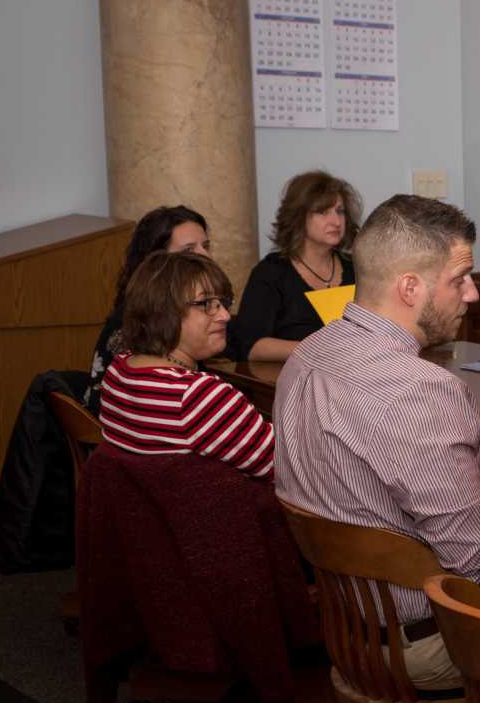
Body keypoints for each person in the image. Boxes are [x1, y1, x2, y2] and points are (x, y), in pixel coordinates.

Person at [273, 194, 480, 692]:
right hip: (424, 644)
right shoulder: (419, 388)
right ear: (409, 287)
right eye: (458, 279)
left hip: (346, 625)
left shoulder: (309, 353)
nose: (471, 294)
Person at [97, 250, 274, 478]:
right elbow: (285, 467)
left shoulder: (118, 371)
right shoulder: (198, 396)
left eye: (222, 302)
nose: (225, 316)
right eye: (206, 303)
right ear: (164, 310)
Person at [84, 205, 211, 411]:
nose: (205, 256)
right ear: (156, 262)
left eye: (206, 246)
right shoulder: (136, 321)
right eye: (189, 250)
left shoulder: (180, 308)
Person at [226, 170, 362, 361]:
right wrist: (320, 351)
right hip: (288, 380)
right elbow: (251, 346)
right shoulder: (272, 273)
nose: (336, 221)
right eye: (323, 212)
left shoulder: (356, 269)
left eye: (339, 211)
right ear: (299, 216)